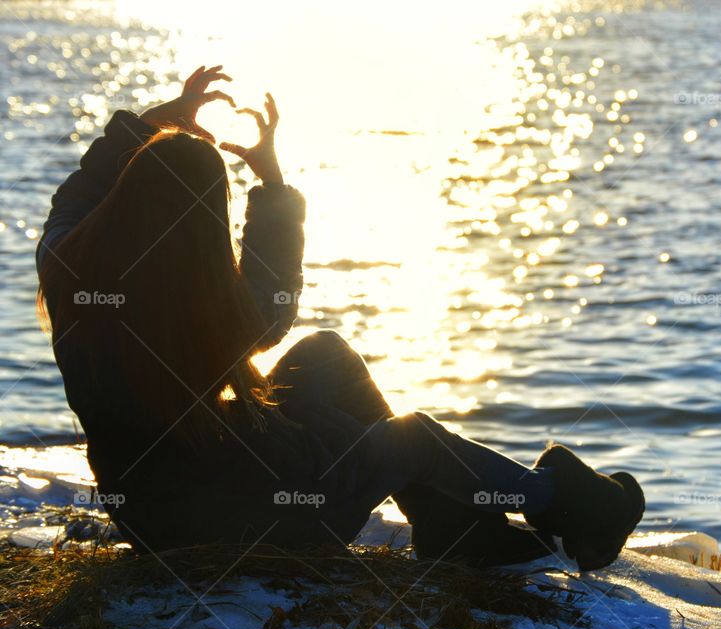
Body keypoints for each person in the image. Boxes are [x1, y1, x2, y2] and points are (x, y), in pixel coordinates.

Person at [36, 66, 644, 570]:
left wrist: (148, 127)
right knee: (413, 436)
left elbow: (74, 200)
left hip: (153, 513)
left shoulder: (68, 272)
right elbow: (272, 309)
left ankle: (451, 529)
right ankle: (566, 500)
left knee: (325, 354)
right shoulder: (206, 316)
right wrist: (270, 179)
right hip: (254, 519)